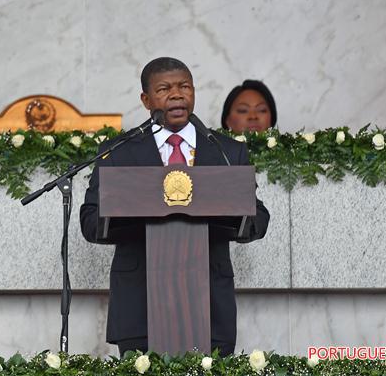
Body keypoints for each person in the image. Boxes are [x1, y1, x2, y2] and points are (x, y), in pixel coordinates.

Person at [80, 57, 270, 356]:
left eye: (184, 86)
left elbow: (257, 218)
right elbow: (90, 222)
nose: (177, 94)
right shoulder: (119, 152)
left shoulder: (226, 150)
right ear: (146, 100)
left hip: (210, 305)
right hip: (138, 305)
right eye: (165, 88)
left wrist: (229, 212)